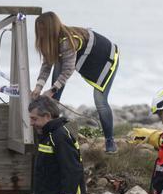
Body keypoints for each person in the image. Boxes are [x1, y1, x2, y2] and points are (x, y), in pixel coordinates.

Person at [31, 12, 120, 153]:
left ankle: (110, 142)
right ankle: (51, 133)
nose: (40, 34)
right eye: (38, 30)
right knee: (53, 98)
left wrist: (52, 90)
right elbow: (47, 65)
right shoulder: (51, 41)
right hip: (83, 57)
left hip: (104, 58)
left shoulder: (67, 41)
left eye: (42, 30)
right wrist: (38, 87)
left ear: (50, 28)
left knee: (100, 101)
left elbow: (68, 70)